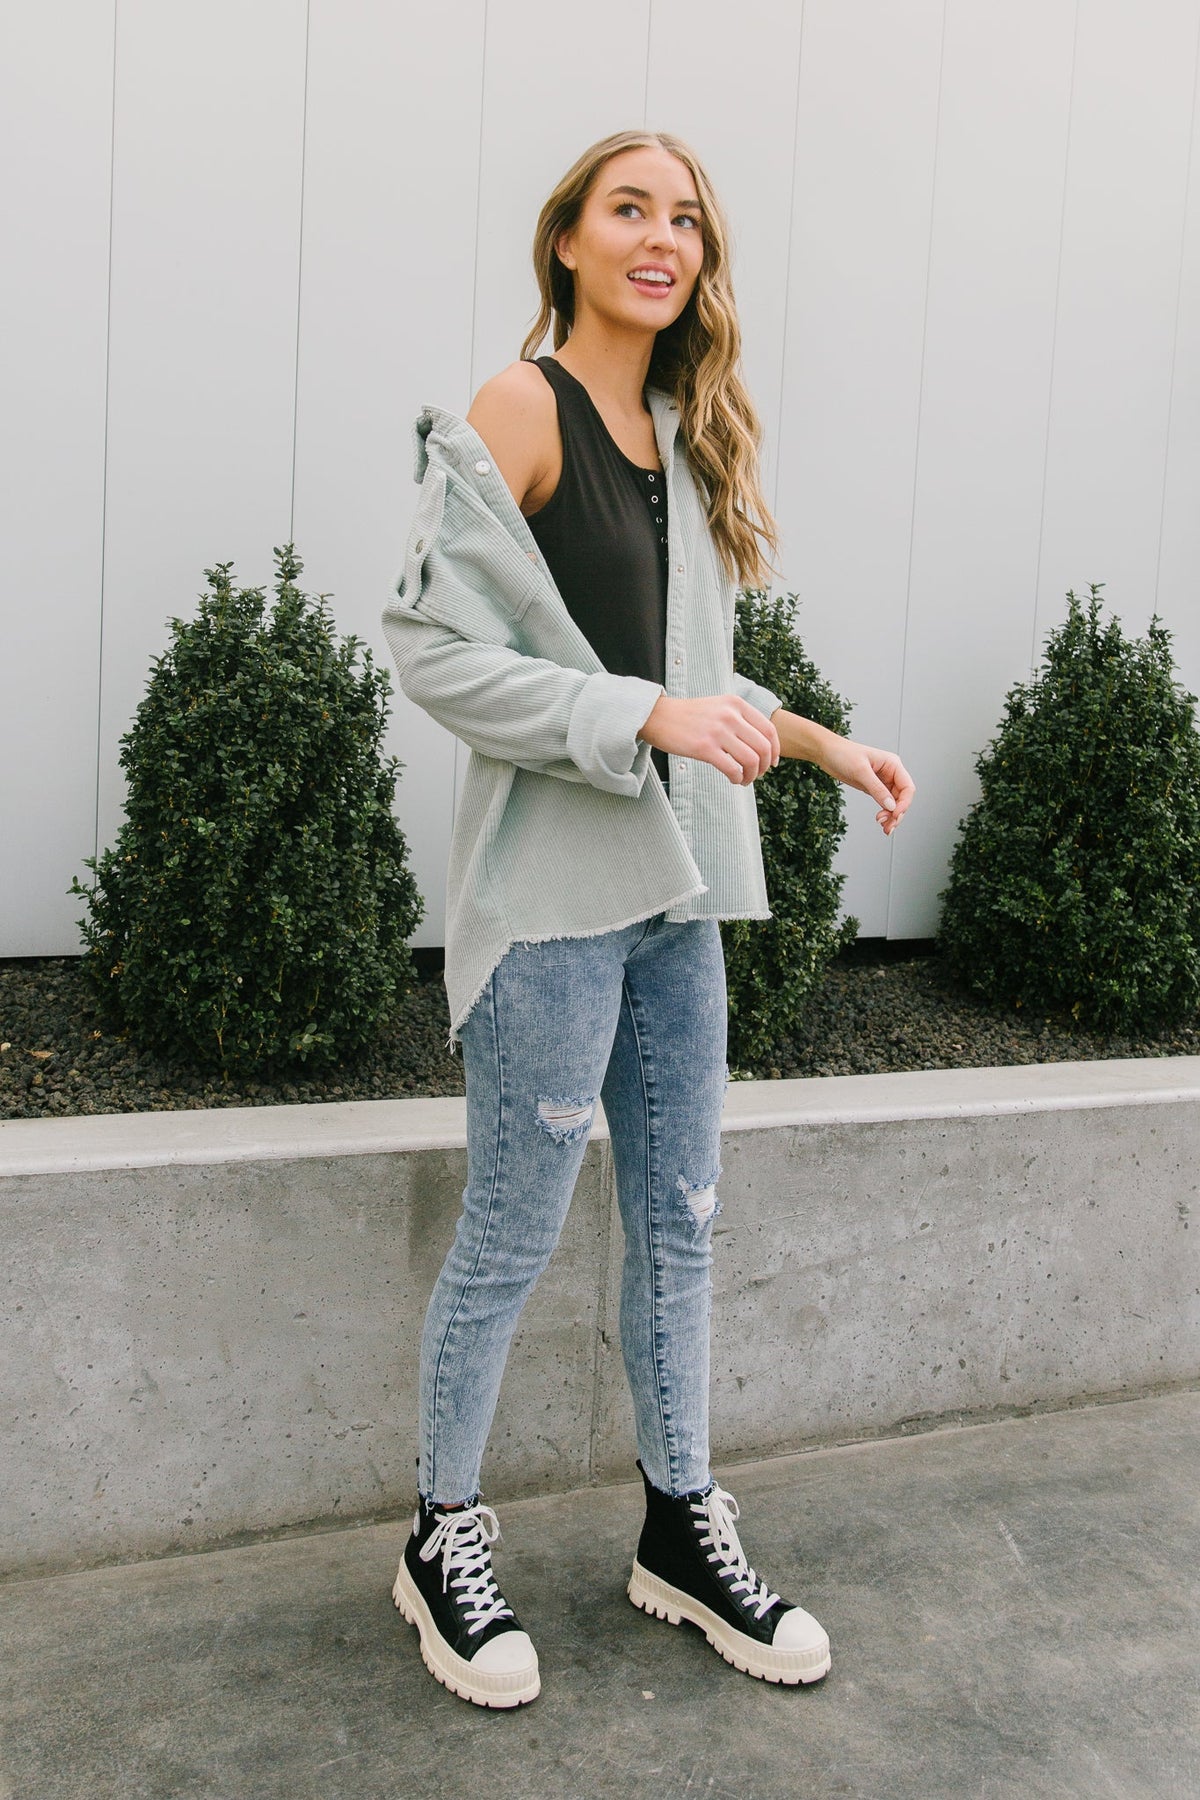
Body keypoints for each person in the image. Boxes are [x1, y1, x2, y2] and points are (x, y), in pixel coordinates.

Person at [381, 128, 915, 1710]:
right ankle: (439, 1537)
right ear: (569, 240)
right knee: (512, 1231)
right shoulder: (520, 407)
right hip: (552, 903)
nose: (661, 237)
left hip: (680, 898)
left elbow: (695, 682)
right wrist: (645, 718)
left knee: (680, 1220)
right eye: (630, 209)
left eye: (685, 218)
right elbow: (433, 648)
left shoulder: (683, 436)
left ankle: (681, 1525)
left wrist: (819, 743)